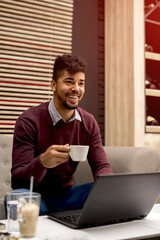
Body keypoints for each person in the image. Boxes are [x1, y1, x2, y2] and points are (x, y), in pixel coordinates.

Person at [9, 54, 113, 215]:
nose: (76, 89)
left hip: (68, 196)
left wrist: (107, 188)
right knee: (16, 197)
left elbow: (101, 165)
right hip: (35, 197)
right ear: (53, 85)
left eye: (81, 83)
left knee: (107, 192)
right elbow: (17, 180)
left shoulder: (89, 122)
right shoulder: (29, 120)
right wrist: (42, 162)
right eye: (69, 82)